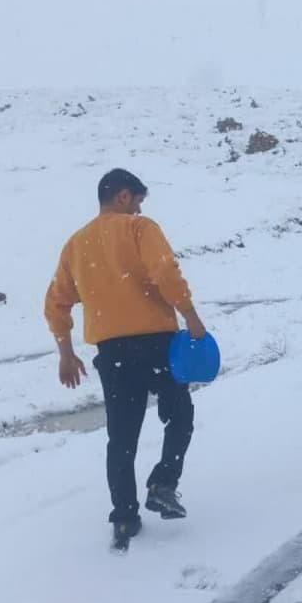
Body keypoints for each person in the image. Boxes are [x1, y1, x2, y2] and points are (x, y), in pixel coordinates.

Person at [44, 168, 208, 552]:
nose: (138, 209)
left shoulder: (76, 245)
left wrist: (66, 352)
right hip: (156, 344)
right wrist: (191, 316)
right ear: (122, 196)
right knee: (179, 414)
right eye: (136, 201)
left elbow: (56, 303)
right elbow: (164, 272)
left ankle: (124, 518)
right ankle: (163, 483)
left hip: (113, 354)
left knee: (121, 438)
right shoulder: (139, 229)